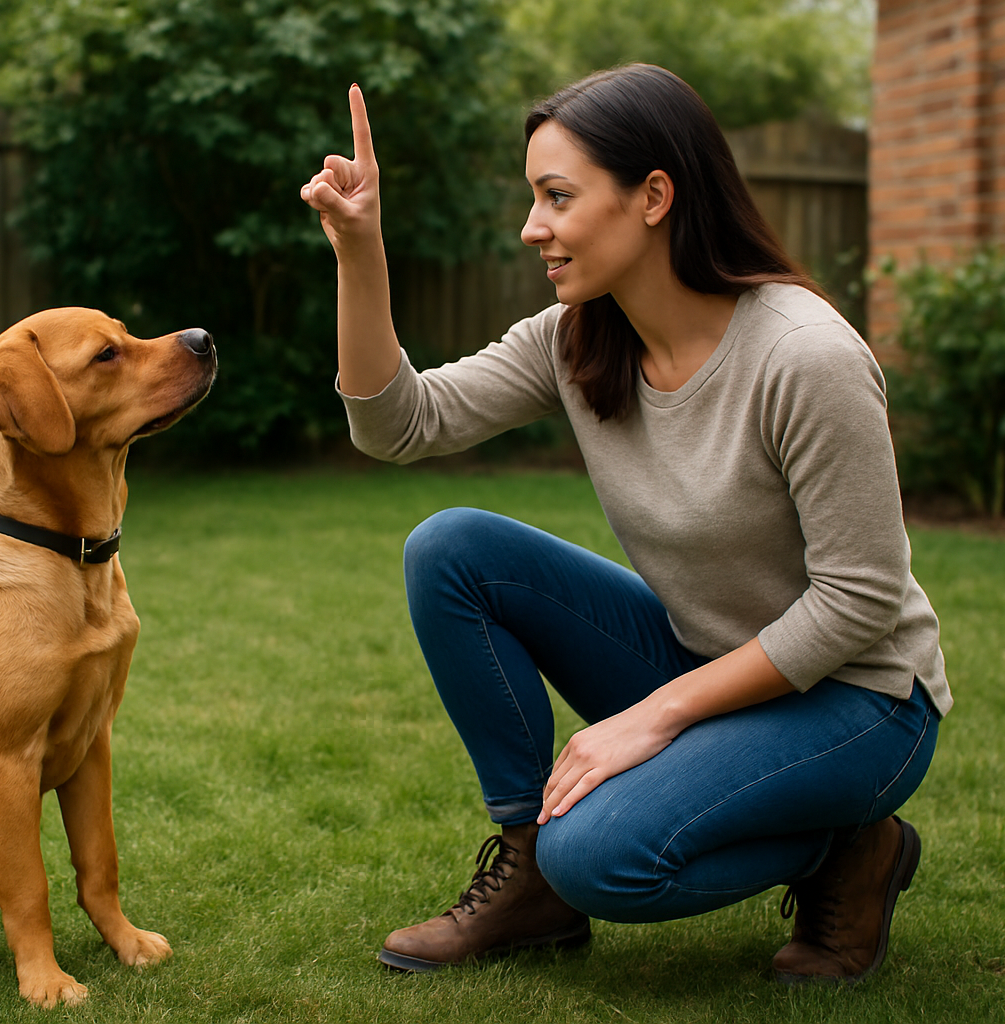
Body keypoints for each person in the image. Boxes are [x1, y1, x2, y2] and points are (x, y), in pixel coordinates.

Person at [298, 64, 950, 986]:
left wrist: (649, 717)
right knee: (452, 549)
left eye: (557, 197)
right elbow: (396, 423)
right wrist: (358, 250)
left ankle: (850, 851)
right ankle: (531, 873)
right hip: (712, 656)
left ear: (653, 196)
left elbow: (861, 600)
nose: (533, 226)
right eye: (535, 198)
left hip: (861, 701)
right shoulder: (577, 338)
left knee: (600, 855)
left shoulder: (805, 357)